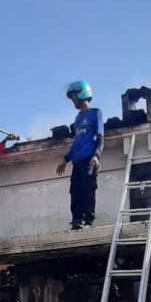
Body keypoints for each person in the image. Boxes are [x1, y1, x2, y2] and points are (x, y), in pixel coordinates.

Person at [55, 80, 104, 230]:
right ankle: (76, 220)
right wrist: (66, 158)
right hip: (77, 162)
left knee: (88, 190)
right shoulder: (77, 119)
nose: (73, 100)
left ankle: (89, 221)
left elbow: (100, 137)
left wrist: (96, 155)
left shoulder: (95, 113)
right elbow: (77, 143)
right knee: (75, 191)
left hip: (89, 160)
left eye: (74, 96)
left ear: (82, 93)